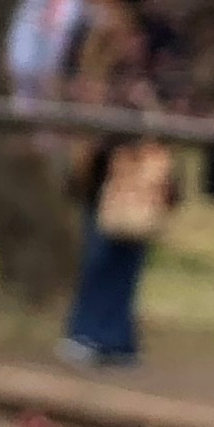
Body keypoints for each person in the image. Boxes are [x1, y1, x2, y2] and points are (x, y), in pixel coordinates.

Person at [60, 76, 177, 369]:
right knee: (100, 271)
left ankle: (116, 340)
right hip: (104, 207)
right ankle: (88, 336)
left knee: (122, 276)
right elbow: (85, 171)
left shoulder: (150, 140)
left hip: (133, 211)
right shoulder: (105, 129)